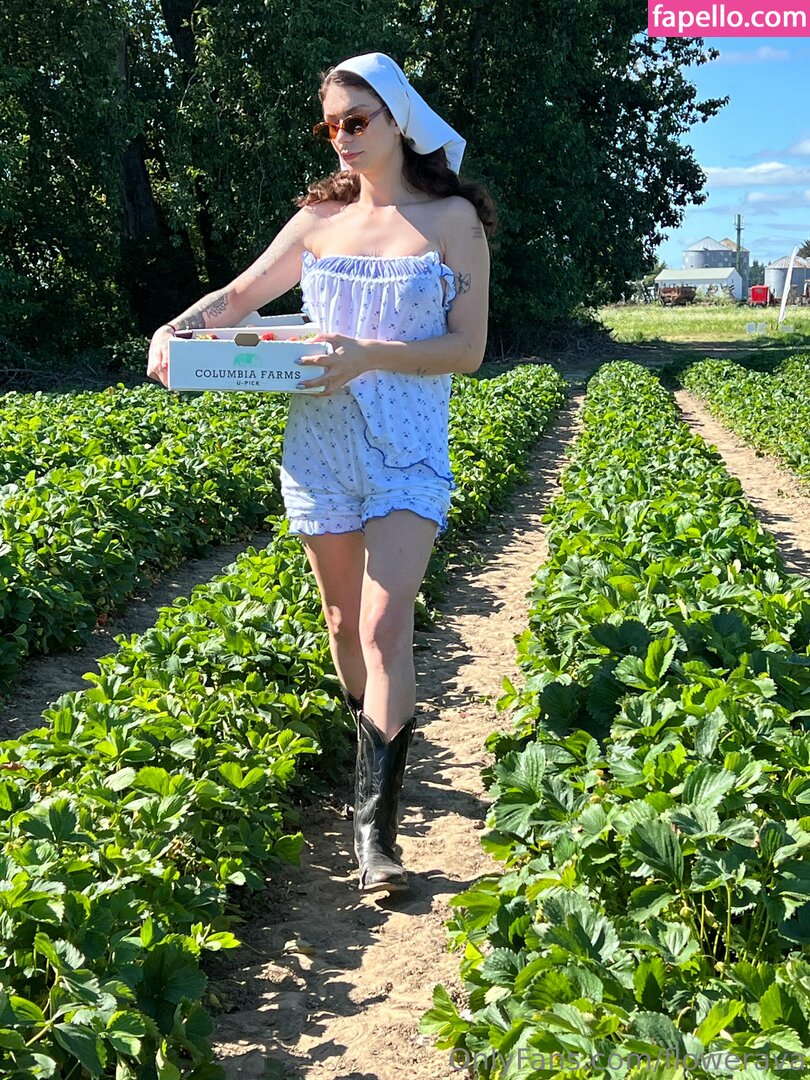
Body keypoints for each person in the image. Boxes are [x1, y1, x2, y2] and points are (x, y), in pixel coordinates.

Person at [146, 51, 494, 892]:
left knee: (382, 626)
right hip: (320, 452)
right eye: (331, 124)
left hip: (408, 448)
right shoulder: (317, 220)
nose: (342, 137)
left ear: (397, 120)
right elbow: (238, 297)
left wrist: (367, 354)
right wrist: (175, 331)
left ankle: (375, 833)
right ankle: (373, 750)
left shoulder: (450, 221)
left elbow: (468, 350)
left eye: (357, 121)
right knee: (342, 626)